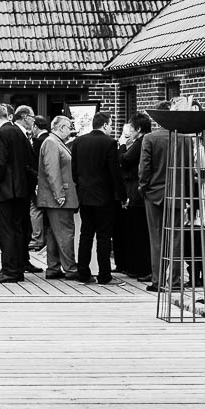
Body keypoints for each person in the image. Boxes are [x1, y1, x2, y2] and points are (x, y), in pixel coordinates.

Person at [0, 103, 36, 282]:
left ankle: (10, 270)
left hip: (5, 191)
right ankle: (16, 266)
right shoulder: (18, 132)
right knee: (18, 229)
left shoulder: (1, 134)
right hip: (21, 190)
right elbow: (29, 160)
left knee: (6, 231)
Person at [73, 110, 122, 284]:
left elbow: (74, 171)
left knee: (86, 234)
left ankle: (83, 273)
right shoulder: (110, 143)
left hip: (85, 196)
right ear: (106, 125)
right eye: (111, 125)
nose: (112, 128)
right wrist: (121, 195)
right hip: (104, 197)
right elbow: (114, 172)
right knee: (103, 236)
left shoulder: (78, 142)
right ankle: (104, 275)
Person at [35, 113, 80, 279]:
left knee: (54, 233)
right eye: (69, 127)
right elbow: (52, 170)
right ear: (61, 127)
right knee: (65, 233)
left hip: (56, 197)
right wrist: (59, 194)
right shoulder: (52, 143)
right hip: (60, 197)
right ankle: (71, 269)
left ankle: (54, 267)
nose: (71, 131)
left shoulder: (54, 142)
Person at [135, 109, 170, 292]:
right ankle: (177, 278)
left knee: (156, 239)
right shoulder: (185, 139)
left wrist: (143, 186)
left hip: (154, 194)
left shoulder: (150, 138)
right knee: (176, 238)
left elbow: (144, 167)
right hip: (177, 194)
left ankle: (158, 280)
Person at [116, 119, 151, 277]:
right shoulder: (142, 141)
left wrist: (122, 144)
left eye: (130, 127)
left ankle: (138, 268)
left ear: (138, 129)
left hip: (136, 192)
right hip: (137, 192)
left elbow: (125, 159)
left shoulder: (141, 141)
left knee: (137, 231)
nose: (127, 131)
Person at [13, 105, 45, 253]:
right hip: (25, 183)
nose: (33, 120)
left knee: (33, 212)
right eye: (32, 117)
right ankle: (36, 240)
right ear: (25, 117)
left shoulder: (36, 140)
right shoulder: (16, 135)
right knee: (34, 210)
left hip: (31, 183)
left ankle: (33, 242)